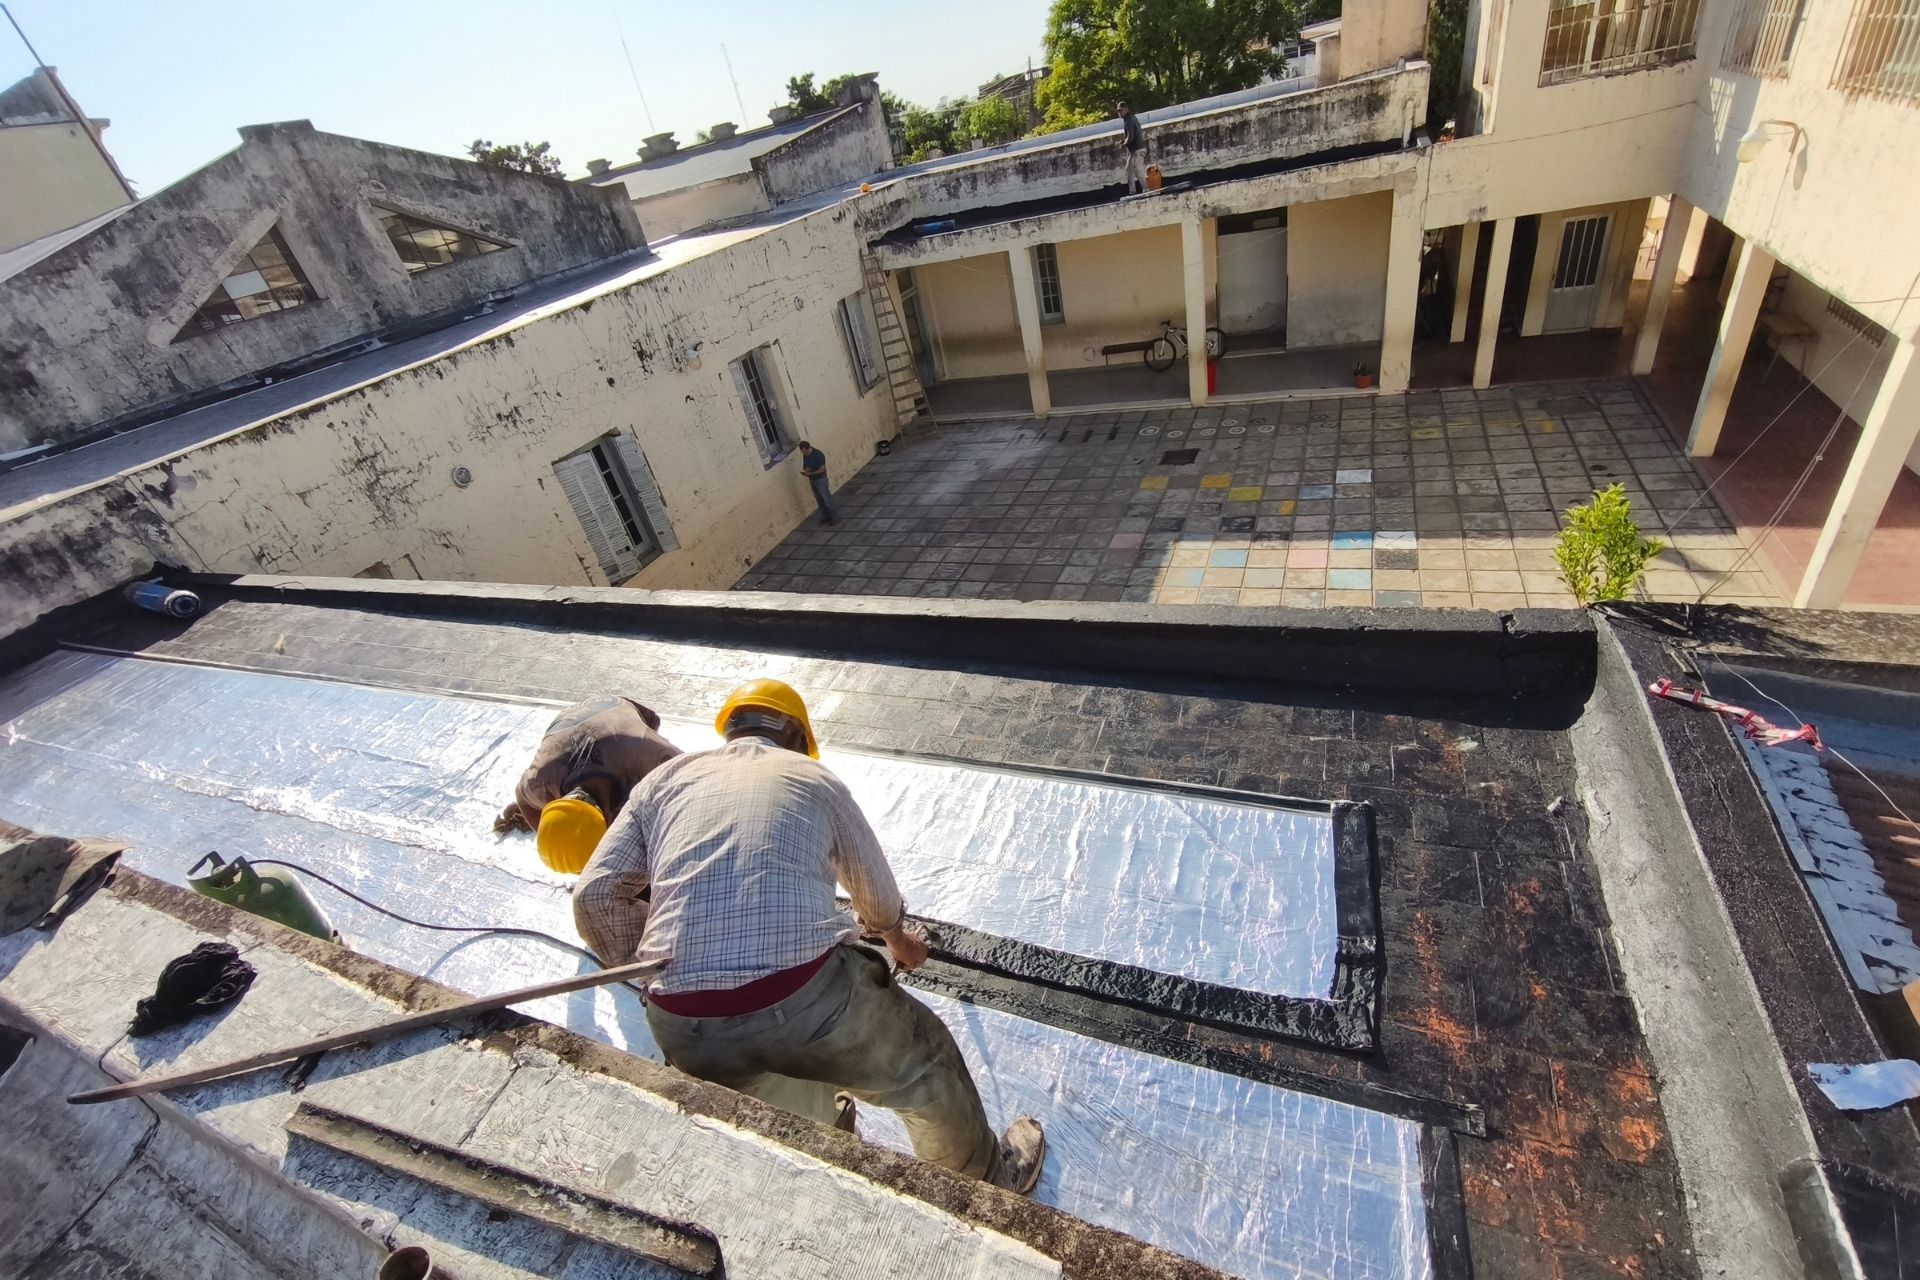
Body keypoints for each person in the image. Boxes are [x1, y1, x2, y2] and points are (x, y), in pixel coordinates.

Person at [572, 678, 1047, 1193]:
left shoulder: (664, 781)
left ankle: (835, 1152)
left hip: (685, 1024)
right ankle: (986, 1189)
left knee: (783, 1092)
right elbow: (878, 899)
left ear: (729, 729)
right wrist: (901, 942)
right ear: (799, 736)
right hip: (805, 1002)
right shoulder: (810, 777)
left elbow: (593, 897)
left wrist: (662, 982)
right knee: (925, 1065)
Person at [494, 696, 681, 875]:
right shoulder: (539, 783)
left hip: (615, 708)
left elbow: (700, 779)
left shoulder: (656, 759)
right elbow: (523, 800)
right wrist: (547, 830)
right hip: (569, 722)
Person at [796, 439, 836, 524]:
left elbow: (822, 469)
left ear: (808, 448)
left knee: (827, 498)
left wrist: (811, 473)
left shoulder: (818, 455)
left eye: (804, 451)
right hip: (813, 480)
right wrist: (807, 470)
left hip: (821, 479)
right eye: (802, 452)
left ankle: (835, 516)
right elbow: (806, 466)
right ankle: (826, 516)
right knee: (819, 500)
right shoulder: (805, 456)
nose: (804, 454)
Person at [1117, 101, 1148, 196]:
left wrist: (1123, 143)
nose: (1120, 113)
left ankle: (1146, 189)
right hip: (1135, 149)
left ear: (1126, 109)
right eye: (1119, 111)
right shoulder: (1130, 119)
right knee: (1129, 169)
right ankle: (1132, 191)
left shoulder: (1129, 120)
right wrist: (1124, 141)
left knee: (1138, 169)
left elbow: (1131, 137)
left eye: (1121, 110)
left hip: (1137, 149)